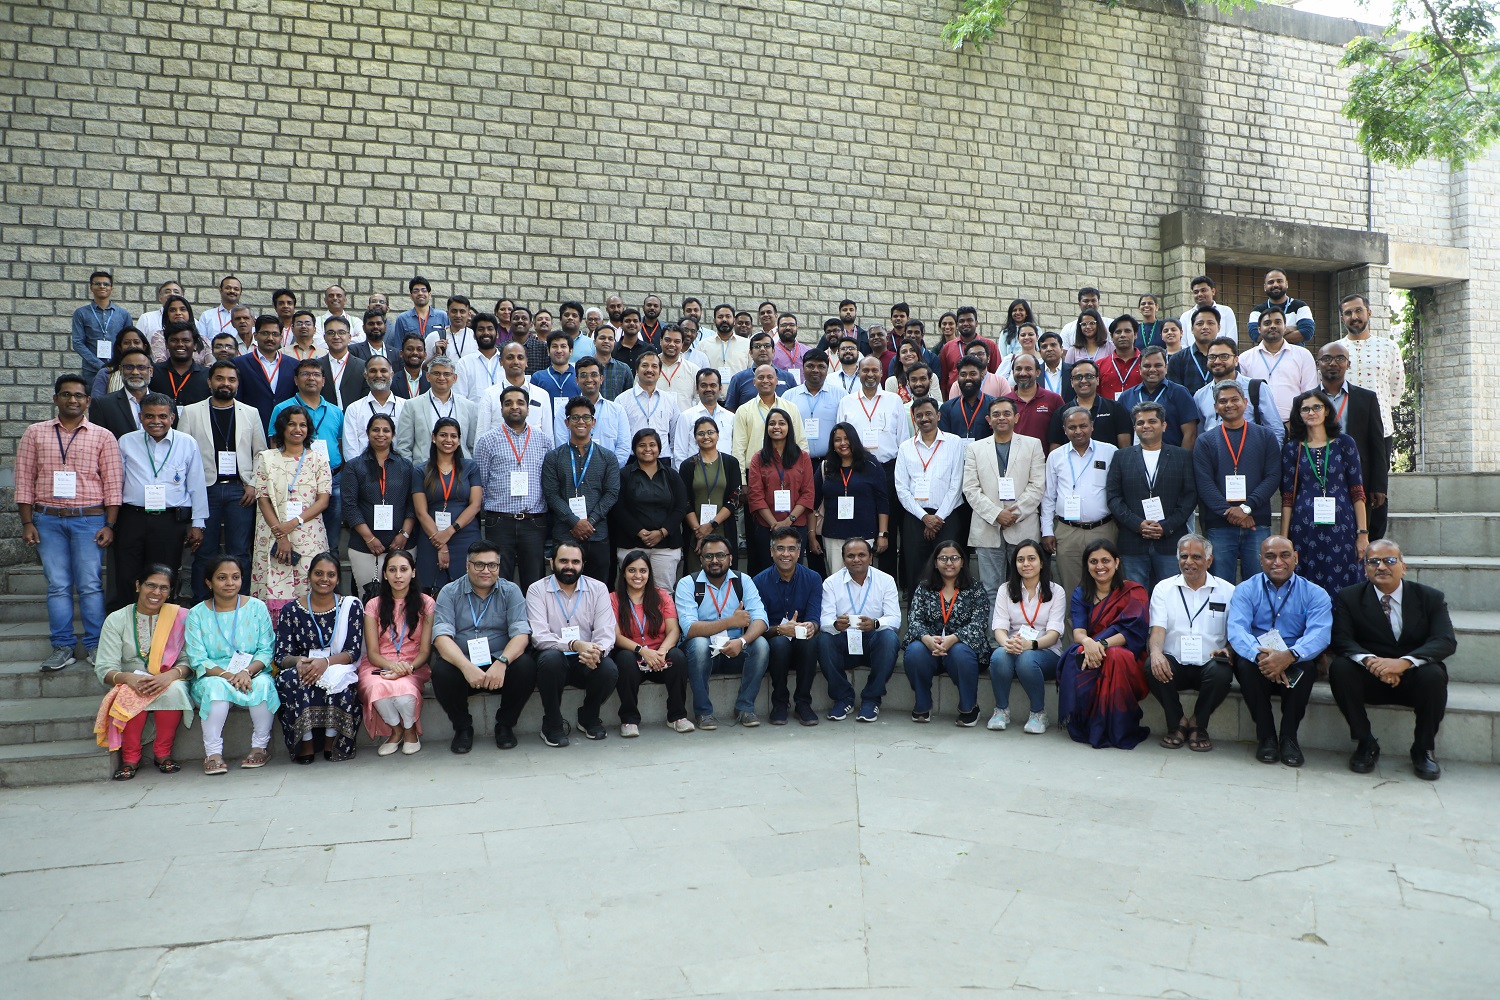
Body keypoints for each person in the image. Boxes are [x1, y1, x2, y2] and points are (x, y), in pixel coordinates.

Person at [16, 373, 123, 671]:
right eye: (66, 394)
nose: (72, 400)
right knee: (58, 585)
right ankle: (62, 646)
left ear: (88, 401)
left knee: (89, 584)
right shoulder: (35, 433)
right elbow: (24, 480)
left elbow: (113, 485)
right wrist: (27, 522)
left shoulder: (103, 436)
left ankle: (95, 645)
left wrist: (109, 525)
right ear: (55, 399)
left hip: (89, 520)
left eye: (78, 396)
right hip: (47, 520)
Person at [1330, 540, 1455, 780]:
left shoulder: (1430, 598)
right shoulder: (1349, 597)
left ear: (1403, 566)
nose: (1381, 567)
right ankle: (1366, 743)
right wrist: (1372, 663)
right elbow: (1341, 640)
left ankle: (1423, 749)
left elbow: (1445, 640)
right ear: (1365, 568)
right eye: (1373, 561)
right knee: (1341, 668)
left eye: (1389, 560)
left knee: (1434, 674)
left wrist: (1404, 663)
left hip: (1412, 677)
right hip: (1370, 678)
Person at [1227, 535, 1333, 767]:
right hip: (1259, 658)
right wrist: (1262, 657)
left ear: (1295, 558)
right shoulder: (1245, 590)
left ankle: (1289, 737)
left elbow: (1320, 634)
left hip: (1295, 656)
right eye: (1270, 556)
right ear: (1260, 560)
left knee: (1305, 667)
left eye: (1285, 555)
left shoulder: (1315, 593)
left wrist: (1289, 656)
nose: (1278, 562)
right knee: (1245, 666)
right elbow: (1237, 630)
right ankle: (1266, 737)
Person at [430, 540, 537, 753]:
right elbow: (441, 638)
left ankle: (505, 725)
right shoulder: (449, 592)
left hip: (499, 666)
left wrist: (502, 662)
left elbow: (522, 634)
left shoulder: (511, 591)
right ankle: (463, 728)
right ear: (467, 566)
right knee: (441, 671)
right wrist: (465, 666)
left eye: (492, 565)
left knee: (526, 665)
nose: (486, 571)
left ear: (499, 566)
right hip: (464, 665)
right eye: (479, 565)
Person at [91, 565, 192, 780]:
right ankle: (130, 758)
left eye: (164, 588)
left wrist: (171, 675)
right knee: (129, 693)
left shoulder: (181, 618)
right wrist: (128, 678)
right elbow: (104, 667)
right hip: (129, 680)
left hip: (170, 677)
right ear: (138, 586)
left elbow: (190, 660)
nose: (157, 593)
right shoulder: (116, 619)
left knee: (173, 690)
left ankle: (163, 754)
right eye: (151, 585)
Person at [183, 555, 279, 774]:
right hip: (214, 675)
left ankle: (259, 748)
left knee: (263, 685)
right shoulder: (197, 613)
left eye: (235, 577)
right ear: (209, 582)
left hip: (252, 671)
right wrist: (228, 676)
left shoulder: (257, 607)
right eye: (222, 578)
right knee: (215, 688)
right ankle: (213, 753)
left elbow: (266, 649)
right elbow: (198, 658)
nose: (229, 583)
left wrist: (246, 671)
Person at [181, 361, 266, 601]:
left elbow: (260, 452)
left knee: (240, 551)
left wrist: (252, 483)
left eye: (231, 379)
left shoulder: (250, 413)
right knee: (205, 552)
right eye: (220, 378)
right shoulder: (191, 412)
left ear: (237, 384)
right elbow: (183, 455)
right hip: (204, 490)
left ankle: (243, 602)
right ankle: (202, 603)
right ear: (209, 382)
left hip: (241, 490)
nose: (225, 384)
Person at [114, 394, 208, 610]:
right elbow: (116, 481)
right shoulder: (126, 441)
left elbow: (196, 485)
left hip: (168, 521)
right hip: (132, 517)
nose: (156, 421)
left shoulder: (187, 443)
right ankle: (129, 625)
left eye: (162, 416)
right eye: (149, 416)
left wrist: (197, 524)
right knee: (128, 574)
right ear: (140, 417)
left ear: (172, 417)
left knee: (164, 575)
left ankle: (162, 626)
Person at [1056, 539, 1151, 749]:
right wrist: (1089, 643)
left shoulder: (1134, 591)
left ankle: (1118, 727)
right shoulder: (1081, 593)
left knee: (1116, 656)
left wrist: (1101, 644)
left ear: (1117, 562)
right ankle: (1088, 724)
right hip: (1094, 651)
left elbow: (1131, 631)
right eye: (1093, 561)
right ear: (1087, 565)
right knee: (1076, 653)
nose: (1100, 566)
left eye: (1105, 560)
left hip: (1126, 655)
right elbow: (1079, 631)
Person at [1145, 535, 1236, 753]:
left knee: (1222, 671)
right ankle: (1177, 722)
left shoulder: (1228, 591)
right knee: (1151, 665)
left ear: (1209, 560)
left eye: (1196, 557)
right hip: (1174, 665)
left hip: (1209, 664)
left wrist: (1229, 650)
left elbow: (1235, 635)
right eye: (1184, 556)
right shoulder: (1163, 589)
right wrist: (1156, 653)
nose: (1189, 562)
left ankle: (1198, 724)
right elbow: (1157, 630)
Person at [272, 552, 364, 763]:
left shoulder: (350, 607)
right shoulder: (291, 610)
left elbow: (353, 651)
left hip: (336, 664)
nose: (324, 579)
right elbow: (281, 655)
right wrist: (298, 662)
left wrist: (326, 663)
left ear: (338, 579)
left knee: (338, 680)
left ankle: (333, 741)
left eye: (331, 574)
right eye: (319, 573)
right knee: (292, 679)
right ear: (309, 576)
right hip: (302, 666)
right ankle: (306, 742)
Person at [525, 542, 619, 746]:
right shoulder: (537, 590)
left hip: (585, 657)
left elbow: (606, 630)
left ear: (583, 564)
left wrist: (597, 651)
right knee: (551, 660)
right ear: (551, 562)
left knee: (609, 668)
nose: (569, 566)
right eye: (563, 561)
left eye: (575, 562)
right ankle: (552, 723)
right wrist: (574, 644)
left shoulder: (598, 588)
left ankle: (589, 716)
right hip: (552, 656)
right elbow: (539, 636)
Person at [674, 533, 771, 729]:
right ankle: (703, 712)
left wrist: (742, 641)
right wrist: (730, 622)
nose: (715, 561)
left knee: (761, 644)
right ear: (701, 559)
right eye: (709, 556)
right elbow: (690, 628)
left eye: (720, 555)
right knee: (699, 643)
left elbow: (761, 620)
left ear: (730, 558)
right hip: (701, 653)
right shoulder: (687, 583)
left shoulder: (743, 581)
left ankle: (745, 707)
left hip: (734, 650)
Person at [1281, 389, 1370, 600]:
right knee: (1307, 581)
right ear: (1299, 415)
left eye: (1316, 407)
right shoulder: (1293, 448)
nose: (1311, 412)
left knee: (1345, 581)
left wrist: (1363, 534)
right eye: (1305, 409)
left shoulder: (1344, 443)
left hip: (1342, 526)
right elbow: (1287, 497)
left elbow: (1357, 491)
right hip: (1304, 528)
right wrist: (1284, 539)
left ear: (1327, 411)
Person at [1192, 382, 1281, 583]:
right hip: (1219, 524)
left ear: (1245, 403)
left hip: (1256, 522)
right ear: (1215, 407)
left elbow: (1273, 476)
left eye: (1234, 399)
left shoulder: (1265, 436)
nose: (1229, 405)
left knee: (1259, 584)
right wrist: (1232, 513)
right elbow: (1204, 483)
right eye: (1222, 401)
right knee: (1221, 586)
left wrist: (1247, 508)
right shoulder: (1206, 441)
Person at [963, 396, 1046, 607]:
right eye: (996, 414)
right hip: (987, 527)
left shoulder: (1033, 445)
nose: (1002, 418)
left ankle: (1020, 640)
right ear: (988, 420)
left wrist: (1012, 514)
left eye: (1007, 413)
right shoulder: (975, 448)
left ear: (1016, 417)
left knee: (1024, 587)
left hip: (1023, 527)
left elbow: (1037, 486)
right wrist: (996, 514)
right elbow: (970, 488)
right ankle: (994, 640)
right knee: (990, 589)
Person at [1106, 401, 1197, 590]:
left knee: (1171, 596)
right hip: (1133, 541)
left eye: (1152, 421)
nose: (1145, 426)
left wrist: (1166, 527)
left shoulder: (1182, 456)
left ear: (1163, 426)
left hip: (1170, 540)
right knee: (1135, 599)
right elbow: (1114, 497)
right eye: (1140, 423)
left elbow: (1189, 497)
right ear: (1134, 428)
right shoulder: (1121, 456)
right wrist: (1137, 524)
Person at [902, 542, 991, 726]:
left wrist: (954, 638)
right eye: (943, 558)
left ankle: (969, 707)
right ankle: (923, 705)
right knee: (915, 651)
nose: (949, 562)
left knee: (960, 652)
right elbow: (914, 620)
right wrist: (927, 639)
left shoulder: (975, 589)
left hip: (962, 649)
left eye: (954, 558)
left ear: (962, 562)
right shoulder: (924, 588)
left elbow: (979, 623)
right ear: (935, 563)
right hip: (931, 649)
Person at [251, 406, 331, 606]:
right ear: (282, 428)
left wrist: (293, 523)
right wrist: (281, 534)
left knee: (308, 581)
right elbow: (262, 498)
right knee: (274, 584)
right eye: (292, 424)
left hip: (309, 532)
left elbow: (323, 500)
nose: (298, 429)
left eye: (303, 425)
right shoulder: (266, 458)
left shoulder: (318, 459)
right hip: (272, 531)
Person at [1335, 293, 1403, 527]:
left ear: (1369, 312)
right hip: (1343, 429)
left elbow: (1396, 388)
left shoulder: (1388, 347)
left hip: (1380, 428)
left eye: (1358, 311)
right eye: (1348, 313)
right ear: (1342, 317)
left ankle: (1374, 544)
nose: (1354, 317)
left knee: (1376, 489)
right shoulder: (1336, 350)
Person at [359, 549, 433, 756]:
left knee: (404, 693)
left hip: (413, 663)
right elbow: (372, 652)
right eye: (392, 570)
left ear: (413, 572)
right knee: (376, 689)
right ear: (385, 574)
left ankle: (410, 731)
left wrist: (406, 668)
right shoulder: (373, 605)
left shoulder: (426, 603)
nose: (398, 575)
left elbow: (426, 650)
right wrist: (392, 666)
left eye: (403, 569)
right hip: (378, 664)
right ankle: (397, 730)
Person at [818, 536, 901, 723]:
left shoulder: (885, 581)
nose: (856, 559)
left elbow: (895, 619)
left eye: (862, 555)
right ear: (843, 559)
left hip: (873, 642)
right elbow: (824, 619)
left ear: (870, 557)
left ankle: (871, 699)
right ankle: (842, 698)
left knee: (889, 638)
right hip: (844, 640)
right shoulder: (831, 583)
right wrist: (835, 625)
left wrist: (876, 624)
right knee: (823, 639)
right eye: (851, 556)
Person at [987, 539, 1067, 733]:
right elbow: (999, 626)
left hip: (1046, 651)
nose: (1026, 564)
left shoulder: (1056, 591)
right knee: (998, 656)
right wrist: (1007, 643)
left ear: (1041, 563)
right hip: (1014, 647)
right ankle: (1001, 710)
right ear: (1015, 564)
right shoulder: (1005, 590)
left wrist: (1029, 644)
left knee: (1027, 658)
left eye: (1032, 559)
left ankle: (1039, 713)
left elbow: (1054, 634)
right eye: (1020, 559)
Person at [612, 550, 693, 736]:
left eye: (643, 570)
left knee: (678, 657)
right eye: (632, 570)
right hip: (633, 657)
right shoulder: (613, 599)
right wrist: (642, 651)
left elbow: (673, 630)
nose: (637, 576)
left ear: (649, 573)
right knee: (623, 659)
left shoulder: (662, 596)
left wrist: (662, 651)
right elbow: (616, 636)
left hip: (660, 657)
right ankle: (629, 720)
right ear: (623, 572)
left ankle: (677, 716)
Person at [542, 396, 622, 584]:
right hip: (564, 534)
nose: (581, 422)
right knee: (562, 588)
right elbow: (551, 494)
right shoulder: (553, 457)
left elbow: (611, 493)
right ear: (567, 422)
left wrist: (590, 521)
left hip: (598, 534)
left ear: (593, 422)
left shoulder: (608, 457)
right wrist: (574, 522)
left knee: (598, 589)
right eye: (575, 418)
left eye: (586, 417)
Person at [1041, 406, 1118, 599]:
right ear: (1065, 430)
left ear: (1092, 426)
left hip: (1103, 529)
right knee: (1071, 591)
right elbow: (1049, 497)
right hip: (1068, 532)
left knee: (1105, 588)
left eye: (1083, 426)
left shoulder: (1110, 452)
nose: (1078, 431)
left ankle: (1104, 630)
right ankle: (1073, 630)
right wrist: (1047, 531)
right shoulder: (1056, 456)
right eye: (1072, 427)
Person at [1315, 342, 1390, 539]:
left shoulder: (1366, 399)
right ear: (1318, 364)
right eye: (1327, 358)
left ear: (1348, 364)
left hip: (1357, 476)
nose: (1333, 363)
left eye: (1340, 358)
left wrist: (1379, 485)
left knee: (1359, 534)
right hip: (1318, 475)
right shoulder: (1307, 400)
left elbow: (1377, 444)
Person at [751, 526, 825, 725]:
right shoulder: (758, 581)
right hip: (774, 641)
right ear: (771, 551)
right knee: (780, 643)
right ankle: (780, 702)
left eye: (791, 549)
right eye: (780, 548)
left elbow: (815, 618)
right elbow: (757, 625)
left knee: (810, 642)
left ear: (799, 552)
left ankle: (803, 702)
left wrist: (811, 626)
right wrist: (779, 630)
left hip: (802, 640)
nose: (786, 554)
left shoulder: (813, 578)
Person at [268, 359, 345, 551]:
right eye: (305, 374)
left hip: (332, 479)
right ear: (296, 380)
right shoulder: (282, 409)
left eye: (316, 374)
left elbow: (341, 445)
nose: (311, 378)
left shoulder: (336, 411)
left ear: (324, 381)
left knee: (332, 541)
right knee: (299, 539)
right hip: (295, 482)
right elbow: (274, 445)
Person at [895, 398, 967, 594]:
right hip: (916, 517)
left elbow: (957, 484)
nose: (924, 419)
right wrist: (924, 518)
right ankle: (916, 621)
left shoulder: (954, 443)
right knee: (915, 571)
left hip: (947, 516)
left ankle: (948, 618)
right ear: (914, 419)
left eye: (928, 414)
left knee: (949, 571)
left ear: (938, 416)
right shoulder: (905, 447)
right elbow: (901, 488)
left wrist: (938, 518)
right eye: (919, 416)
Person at [343, 413, 417, 595]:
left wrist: (404, 535)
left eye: (386, 430)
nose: (380, 434)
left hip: (401, 543)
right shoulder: (354, 466)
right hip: (363, 546)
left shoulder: (405, 466)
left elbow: (412, 504)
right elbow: (350, 505)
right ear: (368, 433)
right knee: (368, 598)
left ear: (393, 434)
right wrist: (369, 538)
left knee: (400, 598)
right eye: (375, 430)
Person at [411, 416, 484, 593]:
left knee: (468, 589)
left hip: (465, 535)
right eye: (443, 435)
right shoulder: (421, 470)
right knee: (431, 590)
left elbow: (475, 505)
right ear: (434, 437)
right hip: (431, 536)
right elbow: (421, 512)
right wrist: (440, 541)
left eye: (454, 436)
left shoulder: (470, 467)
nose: (448, 440)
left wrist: (450, 531)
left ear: (459, 440)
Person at [612, 427, 689, 582]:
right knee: (632, 592)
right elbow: (618, 508)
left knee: (663, 594)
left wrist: (662, 532)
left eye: (652, 445)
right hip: (631, 544)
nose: (647, 449)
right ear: (634, 449)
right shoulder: (623, 475)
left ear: (659, 449)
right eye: (642, 445)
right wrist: (639, 532)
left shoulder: (672, 475)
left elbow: (680, 507)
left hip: (666, 546)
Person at [744, 409, 815, 577]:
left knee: (794, 573)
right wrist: (774, 524)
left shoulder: (803, 457)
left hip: (796, 525)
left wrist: (788, 521)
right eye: (772, 423)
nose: (777, 427)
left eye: (781, 423)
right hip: (766, 527)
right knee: (768, 573)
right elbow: (755, 495)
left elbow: (808, 493)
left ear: (789, 427)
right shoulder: (758, 458)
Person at [810, 421, 889, 572]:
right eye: (837, 440)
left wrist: (883, 534)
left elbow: (882, 502)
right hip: (833, 535)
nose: (843, 443)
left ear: (854, 440)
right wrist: (812, 536)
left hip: (864, 534)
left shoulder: (871, 465)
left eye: (846, 438)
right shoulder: (825, 467)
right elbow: (813, 504)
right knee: (836, 581)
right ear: (832, 444)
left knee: (862, 581)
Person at [1190, 336, 1285, 445]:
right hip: (1215, 456)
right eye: (1212, 357)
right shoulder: (1200, 395)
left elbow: (1275, 429)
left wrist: (1270, 459)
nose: (1217, 361)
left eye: (1224, 356)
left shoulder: (1257, 388)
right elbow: (1200, 433)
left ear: (1236, 360)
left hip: (1251, 455)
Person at [1238, 306, 1316, 424]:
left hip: (1294, 425)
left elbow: (1309, 393)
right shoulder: (1245, 358)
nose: (1273, 326)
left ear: (1285, 327)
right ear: (1259, 329)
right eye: (1267, 323)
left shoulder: (1303, 355)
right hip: (1257, 426)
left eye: (1278, 322)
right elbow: (1242, 395)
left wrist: (1297, 422)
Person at [394, 355, 478, 460]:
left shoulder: (469, 407)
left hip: (459, 471)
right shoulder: (412, 406)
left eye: (447, 374)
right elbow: (404, 447)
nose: (441, 378)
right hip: (424, 471)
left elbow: (471, 446)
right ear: (428, 376)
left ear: (454, 378)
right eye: (436, 373)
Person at [1116, 346, 1198, 449]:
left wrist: (1182, 461)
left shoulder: (1180, 393)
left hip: (1171, 459)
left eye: (1158, 365)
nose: (1152, 370)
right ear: (1139, 369)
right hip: (1136, 460)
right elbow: (1123, 434)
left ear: (1166, 368)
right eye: (1147, 366)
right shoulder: (1126, 397)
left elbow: (1190, 434)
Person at [731, 364, 809, 471]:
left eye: (770, 377)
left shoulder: (791, 408)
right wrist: (742, 479)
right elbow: (738, 448)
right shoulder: (743, 410)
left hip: (787, 469)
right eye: (761, 377)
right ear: (754, 382)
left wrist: (802, 471)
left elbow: (801, 441)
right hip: (754, 471)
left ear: (776, 381)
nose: (765, 381)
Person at [1047, 359, 1131, 448]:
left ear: (1098, 380)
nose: (1083, 381)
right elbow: (1055, 449)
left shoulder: (1115, 408)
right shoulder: (1061, 412)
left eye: (1089, 376)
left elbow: (1124, 448)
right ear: (1072, 382)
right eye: (1078, 377)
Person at [783, 348, 843, 462]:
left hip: (831, 461)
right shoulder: (788, 396)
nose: (815, 370)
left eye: (821, 366)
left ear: (827, 369)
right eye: (810, 366)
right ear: (803, 368)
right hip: (797, 461)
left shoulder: (840, 395)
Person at [341, 356, 406, 460]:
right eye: (373, 371)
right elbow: (350, 450)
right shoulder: (354, 409)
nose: (378, 375)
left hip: (399, 471)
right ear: (365, 376)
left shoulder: (405, 406)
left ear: (391, 374)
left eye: (383, 371)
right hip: (363, 472)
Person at [73, 270, 132, 383]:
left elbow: (129, 342)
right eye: (97, 283)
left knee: (117, 399)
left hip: (118, 369)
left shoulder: (123, 314)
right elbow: (77, 343)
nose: (102, 286)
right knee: (94, 399)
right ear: (91, 287)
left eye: (106, 284)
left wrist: (120, 363)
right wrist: (99, 364)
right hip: (91, 371)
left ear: (111, 288)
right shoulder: (81, 313)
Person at [1005, 353, 1066, 450]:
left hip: (1043, 462)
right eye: (1018, 369)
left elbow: (1061, 435)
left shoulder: (1054, 400)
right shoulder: (1004, 402)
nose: (1023, 373)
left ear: (1038, 372)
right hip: (1011, 462)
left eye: (1028, 369)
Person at [149, 323, 211, 407]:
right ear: (166, 344)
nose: (180, 344)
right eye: (174, 340)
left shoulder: (207, 375)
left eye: (186, 340)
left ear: (195, 345)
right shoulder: (153, 372)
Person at [1248, 268, 1315, 344]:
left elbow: (1307, 333)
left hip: (1294, 354)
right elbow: (1256, 336)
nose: (1275, 285)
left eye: (1279, 281)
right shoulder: (1258, 310)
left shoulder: (1300, 306)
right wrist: (1290, 329)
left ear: (1286, 284)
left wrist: (1270, 335)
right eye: (1271, 282)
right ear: (1265, 287)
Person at [938, 357, 997, 441]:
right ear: (958, 378)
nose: (968, 378)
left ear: (982, 376)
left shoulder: (994, 405)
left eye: (973, 374)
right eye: (963, 375)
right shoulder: (946, 408)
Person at [316, 316, 368, 410]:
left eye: (341, 332)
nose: (336, 337)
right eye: (331, 333)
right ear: (325, 337)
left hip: (354, 420)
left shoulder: (363, 366)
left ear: (349, 337)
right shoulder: (316, 366)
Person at [92, 328, 154, 403]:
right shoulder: (106, 373)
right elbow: (96, 403)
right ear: (119, 348)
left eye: (136, 342)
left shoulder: (151, 372)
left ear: (144, 347)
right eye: (126, 343)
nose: (132, 346)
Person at [454, 312, 507, 401]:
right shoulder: (464, 363)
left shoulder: (507, 362)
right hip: (474, 415)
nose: (486, 333)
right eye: (481, 329)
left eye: (490, 329)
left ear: (497, 334)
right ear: (474, 335)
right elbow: (459, 398)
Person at [1166, 308, 1217, 397]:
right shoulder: (1177, 359)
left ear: (1219, 327)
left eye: (1210, 323)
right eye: (1200, 323)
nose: (1205, 327)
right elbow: (1174, 394)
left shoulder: (1227, 358)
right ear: (1192, 329)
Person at [389, 276, 449, 350]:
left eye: (424, 290)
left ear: (429, 295)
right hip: (413, 359)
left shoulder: (443, 316)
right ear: (411, 296)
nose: (420, 293)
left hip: (437, 359)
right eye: (416, 291)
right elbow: (398, 347)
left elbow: (449, 341)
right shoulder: (402, 318)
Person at [1178, 275, 1239, 340]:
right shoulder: (1185, 317)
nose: (1199, 294)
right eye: (1196, 292)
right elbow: (1183, 343)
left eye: (1203, 290)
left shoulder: (1226, 312)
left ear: (1213, 291)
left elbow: (1232, 340)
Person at [1098, 315, 1143, 400]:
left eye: (1127, 331)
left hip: (1140, 411)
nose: (1123, 335)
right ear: (1112, 337)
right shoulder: (1099, 365)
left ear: (1136, 334)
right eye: (1118, 332)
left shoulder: (1146, 363)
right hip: (1109, 412)